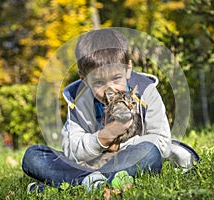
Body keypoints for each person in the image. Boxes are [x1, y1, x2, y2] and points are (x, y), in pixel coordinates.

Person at [22, 28, 199, 194]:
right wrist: (104, 137)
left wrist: (119, 146)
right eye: (98, 83)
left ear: (128, 69)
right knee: (33, 156)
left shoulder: (146, 92)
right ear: (84, 79)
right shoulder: (78, 102)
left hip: (126, 160)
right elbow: (71, 151)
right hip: (89, 165)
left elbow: (161, 142)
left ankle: (81, 183)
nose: (110, 89)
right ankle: (96, 181)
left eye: (116, 78)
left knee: (149, 153)